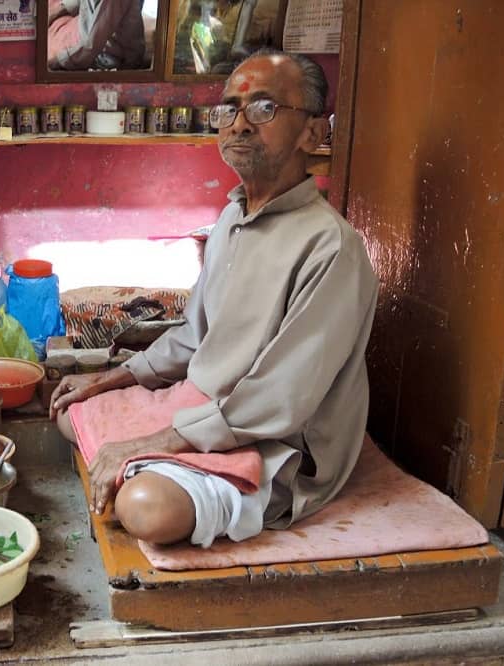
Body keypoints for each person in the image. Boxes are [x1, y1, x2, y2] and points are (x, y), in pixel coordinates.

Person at [49, 48, 379, 548]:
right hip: (206, 411)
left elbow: (280, 401)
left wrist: (154, 441)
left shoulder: (331, 247)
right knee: (69, 410)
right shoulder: (232, 218)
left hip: (273, 445)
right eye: (229, 110)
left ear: (313, 133)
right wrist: (108, 378)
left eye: (264, 109)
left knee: (146, 507)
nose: (240, 125)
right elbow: (193, 338)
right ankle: (150, 465)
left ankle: (166, 477)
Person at [47, 0, 146, 71]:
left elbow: (92, 44)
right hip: (95, 40)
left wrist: (55, 62)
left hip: (113, 58)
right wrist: (57, 11)